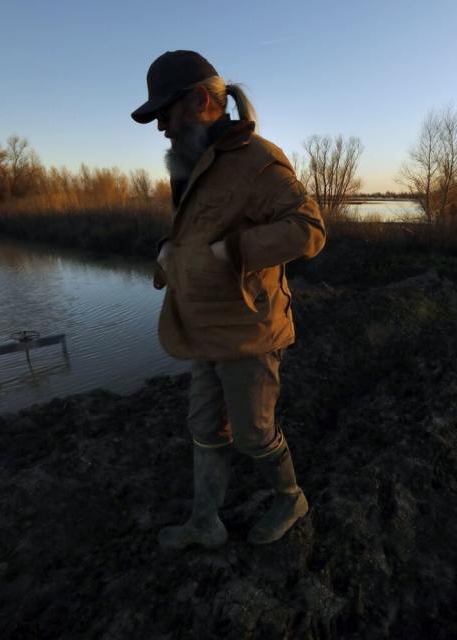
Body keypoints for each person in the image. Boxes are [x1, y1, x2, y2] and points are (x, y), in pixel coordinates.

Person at [131, 50, 325, 549]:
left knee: (254, 435)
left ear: (199, 101)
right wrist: (168, 251)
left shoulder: (258, 162)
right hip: (203, 329)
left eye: (164, 114)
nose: (161, 129)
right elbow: (197, 230)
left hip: (249, 332)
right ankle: (205, 522)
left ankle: (291, 499)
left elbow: (309, 231)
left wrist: (235, 249)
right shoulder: (193, 165)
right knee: (203, 428)